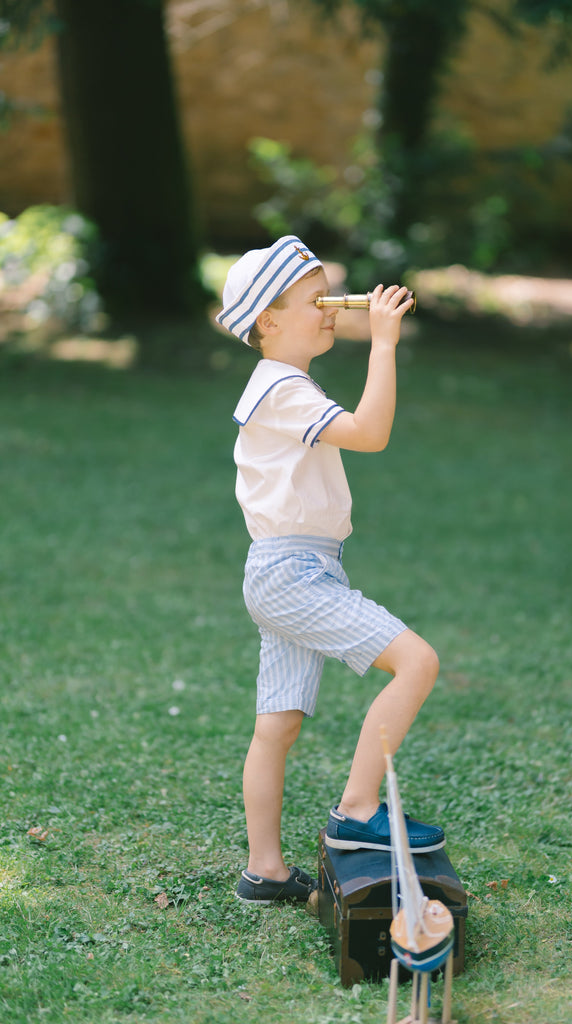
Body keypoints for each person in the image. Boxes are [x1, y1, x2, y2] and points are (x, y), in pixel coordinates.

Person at [216, 235, 444, 905]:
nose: (328, 311)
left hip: (285, 571)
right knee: (418, 662)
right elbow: (370, 434)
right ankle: (357, 809)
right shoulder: (281, 389)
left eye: (328, 298)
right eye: (311, 301)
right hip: (293, 574)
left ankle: (265, 871)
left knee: (277, 726)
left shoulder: (284, 384)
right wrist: (382, 344)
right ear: (268, 321)